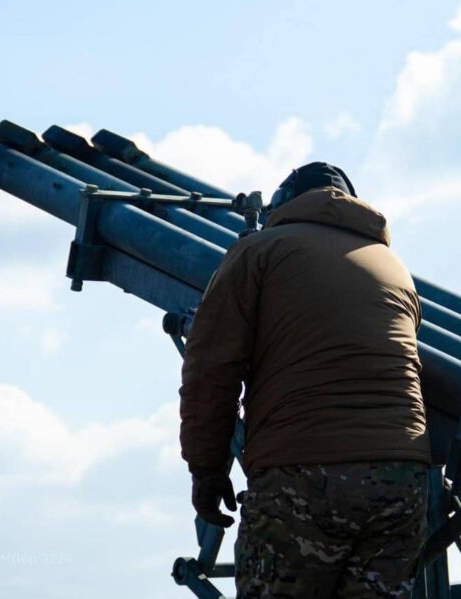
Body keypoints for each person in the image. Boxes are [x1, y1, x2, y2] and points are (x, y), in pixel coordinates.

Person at [180, 162, 431, 598]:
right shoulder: (394, 268)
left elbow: (211, 370)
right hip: (402, 479)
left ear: (284, 204)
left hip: (304, 470)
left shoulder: (259, 251)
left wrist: (206, 470)